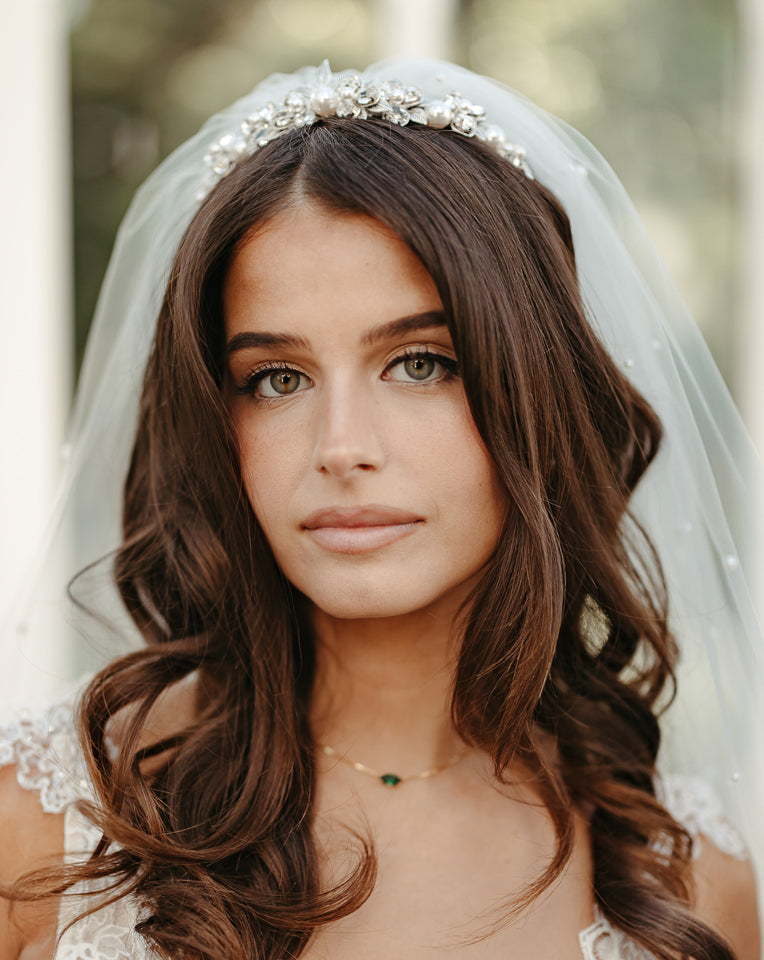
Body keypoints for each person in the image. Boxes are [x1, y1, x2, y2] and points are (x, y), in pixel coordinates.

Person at [0, 59, 761, 960]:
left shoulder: (687, 888)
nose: (341, 445)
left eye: (421, 363)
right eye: (276, 379)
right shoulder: (48, 826)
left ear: (534, 387)